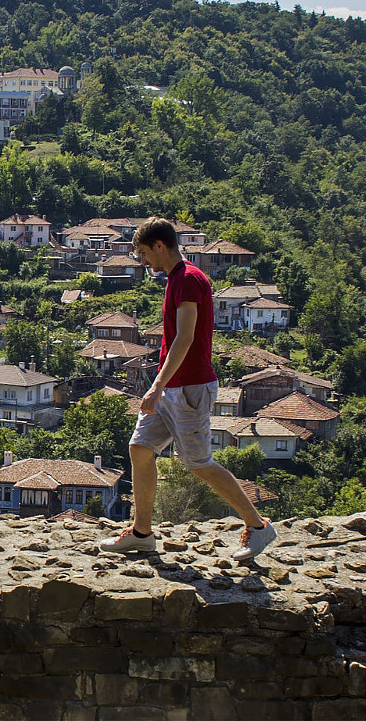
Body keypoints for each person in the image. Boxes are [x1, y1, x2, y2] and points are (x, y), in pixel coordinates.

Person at [101, 216, 276, 562]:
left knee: (198, 464)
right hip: (172, 389)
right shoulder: (176, 279)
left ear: (160, 246)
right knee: (140, 448)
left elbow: (185, 338)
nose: (142, 261)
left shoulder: (188, 280)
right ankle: (141, 534)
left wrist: (156, 387)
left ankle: (258, 527)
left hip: (189, 388)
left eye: (144, 253)